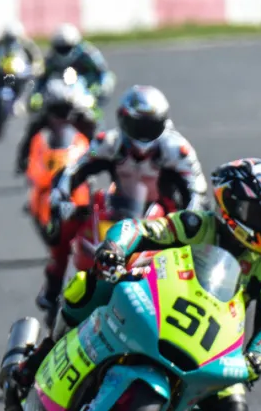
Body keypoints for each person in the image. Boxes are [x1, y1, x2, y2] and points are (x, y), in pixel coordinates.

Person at [7, 157, 261, 411]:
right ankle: (41, 356)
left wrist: (257, 356)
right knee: (90, 284)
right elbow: (139, 229)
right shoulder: (198, 225)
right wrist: (115, 249)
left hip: (212, 344)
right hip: (154, 303)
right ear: (230, 205)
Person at [36, 84, 208, 314]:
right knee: (64, 224)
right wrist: (61, 197)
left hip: (161, 214)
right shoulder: (108, 142)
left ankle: (188, 300)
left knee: (193, 245)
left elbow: (196, 190)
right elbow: (75, 169)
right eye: (138, 125)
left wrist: (190, 217)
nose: (143, 134)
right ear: (124, 121)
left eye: (150, 125)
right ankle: (54, 284)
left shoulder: (177, 150)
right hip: (118, 205)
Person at [14, 71, 98, 175]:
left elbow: (93, 141)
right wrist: (23, 160)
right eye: (57, 110)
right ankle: (22, 161)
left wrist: (94, 155)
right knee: (32, 129)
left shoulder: (82, 120)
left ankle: (92, 161)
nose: (62, 117)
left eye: (65, 110)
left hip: (77, 162)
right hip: (50, 163)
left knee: (91, 129)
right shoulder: (43, 120)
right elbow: (29, 138)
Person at [31, 24, 115, 110]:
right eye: (60, 48)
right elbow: (42, 77)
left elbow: (103, 72)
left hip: (84, 90)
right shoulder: (52, 57)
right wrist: (37, 94)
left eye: (67, 48)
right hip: (58, 93)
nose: (63, 51)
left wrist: (99, 88)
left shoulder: (88, 54)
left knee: (93, 107)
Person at [0, 22, 43, 106]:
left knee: (32, 81)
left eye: (13, 38)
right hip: (0, 71)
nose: (11, 41)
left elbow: (36, 57)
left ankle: (28, 100)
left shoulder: (26, 44)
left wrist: (35, 66)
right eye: (8, 38)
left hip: (19, 72)